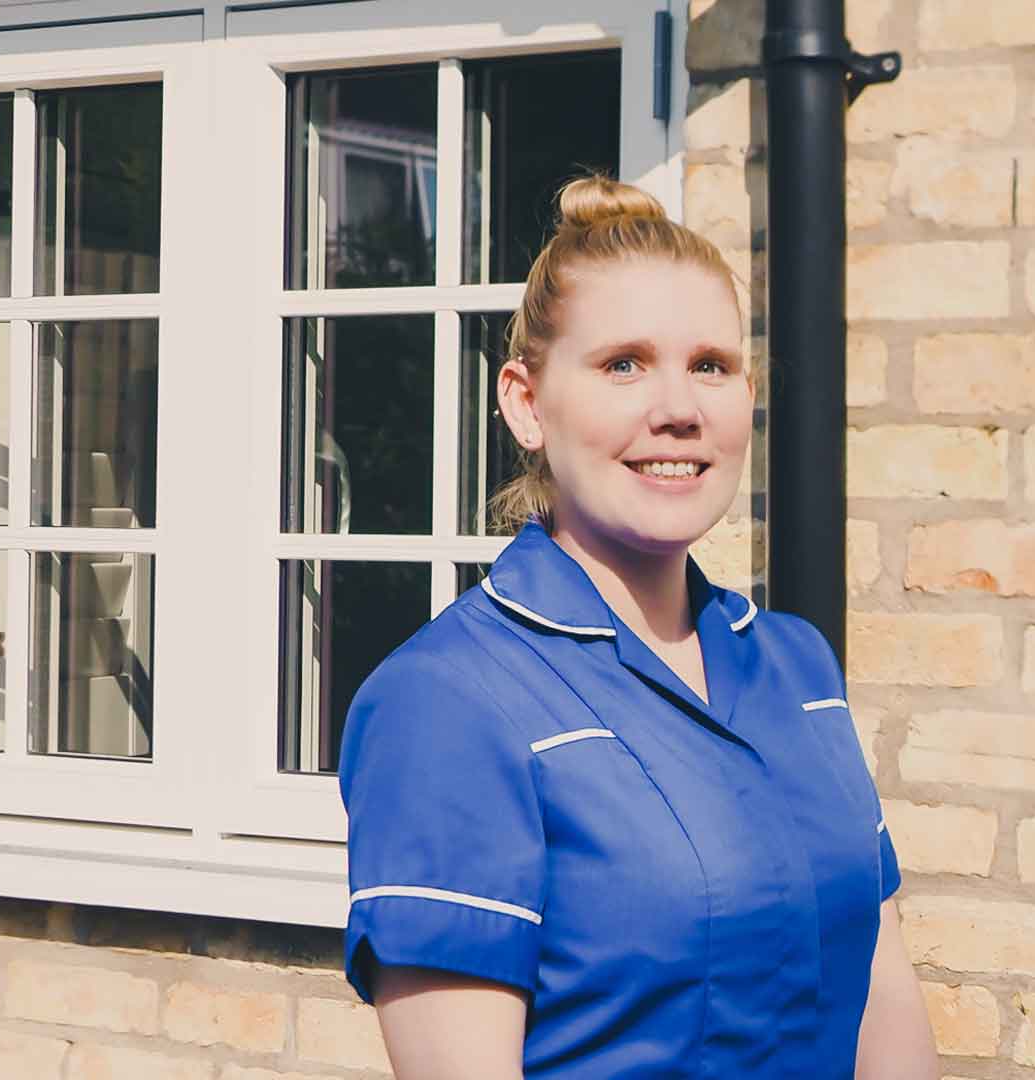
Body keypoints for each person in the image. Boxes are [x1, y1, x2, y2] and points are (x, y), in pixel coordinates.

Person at [337, 177, 939, 1079]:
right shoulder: (447, 702)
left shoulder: (796, 667)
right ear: (526, 404)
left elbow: (883, 992)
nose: (679, 408)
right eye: (624, 363)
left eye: (711, 365)